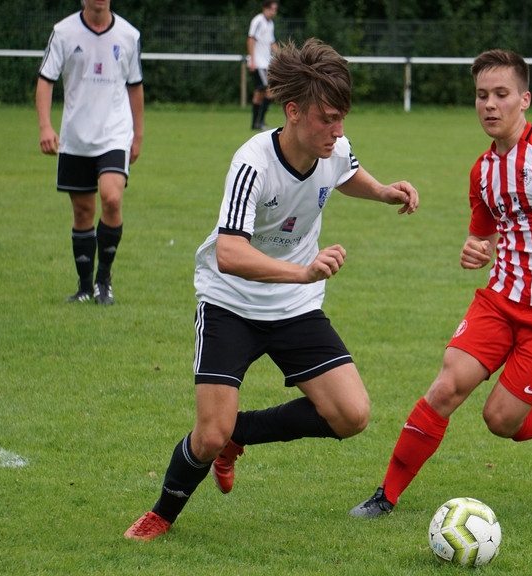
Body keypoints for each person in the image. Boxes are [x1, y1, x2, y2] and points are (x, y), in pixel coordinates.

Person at [125, 39, 419, 541]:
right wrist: (302, 273)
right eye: (327, 118)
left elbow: (344, 172)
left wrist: (383, 190)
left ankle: (239, 436)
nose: (338, 130)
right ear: (293, 112)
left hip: (294, 307)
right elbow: (229, 253)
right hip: (230, 302)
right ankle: (163, 513)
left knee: (351, 415)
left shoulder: (334, 147)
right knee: (208, 433)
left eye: (342, 118)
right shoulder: (252, 162)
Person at [350, 49, 532, 519]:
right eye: (482, 96)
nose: (490, 105)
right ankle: (386, 496)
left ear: (525, 99)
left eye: (501, 94)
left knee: (502, 421)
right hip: (499, 301)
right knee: (445, 388)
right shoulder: (482, 171)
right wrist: (473, 251)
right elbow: (482, 237)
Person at [36, 0, 144, 305]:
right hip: (76, 137)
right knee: (83, 211)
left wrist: (138, 134)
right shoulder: (63, 32)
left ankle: (103, 280)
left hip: (114, 135)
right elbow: (45, 81)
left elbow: (136, 86)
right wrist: (45, 126)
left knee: (111, 197)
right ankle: (84, 287)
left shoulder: (128, 35)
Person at [247, 0, 278, 130]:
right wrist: (252, 59)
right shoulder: (257, 21)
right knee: (269, 91)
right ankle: (260, 121)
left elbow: (272, 43)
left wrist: (283, 57)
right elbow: (250, 39)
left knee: (259, 93)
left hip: (266, 63)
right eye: (272, 9)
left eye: (275, 9)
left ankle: (255, 123)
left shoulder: (270, 24)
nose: (274, 12)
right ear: (265, 8)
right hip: (259, 63)